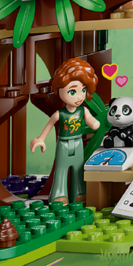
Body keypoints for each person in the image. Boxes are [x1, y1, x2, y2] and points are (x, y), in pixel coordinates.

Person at [33, 57, 111, 204]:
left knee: (78, 169)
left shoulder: (83, 111)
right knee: (61, 170)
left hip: (78, 143)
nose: (80, 97)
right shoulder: (60, 114)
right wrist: (40, 139)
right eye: (73, 91)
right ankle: (59, 195)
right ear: (59, 90)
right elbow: (49, 125)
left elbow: (92, 121)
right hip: (63, 144)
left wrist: (95, 124)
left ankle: (79, 193)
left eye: (83, 90)